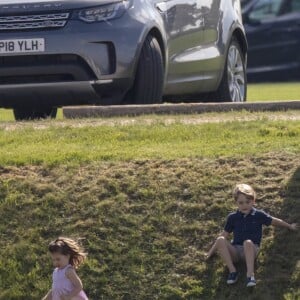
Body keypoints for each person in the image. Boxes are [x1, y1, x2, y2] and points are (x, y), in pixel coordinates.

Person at [206, 183, 297, 287]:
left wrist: (289, 226)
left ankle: (250, 275)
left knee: (248, 242)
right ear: (236, 203)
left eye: (247, 202)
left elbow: (274, 221)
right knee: (221, 239)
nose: (244, 205)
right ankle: (232, 271)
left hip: (251, 250)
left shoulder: (258, 215)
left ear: (253, 201)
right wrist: (210, 252)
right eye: (240, 203)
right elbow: (224, 235)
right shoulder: (232, 217)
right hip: (236, 251)